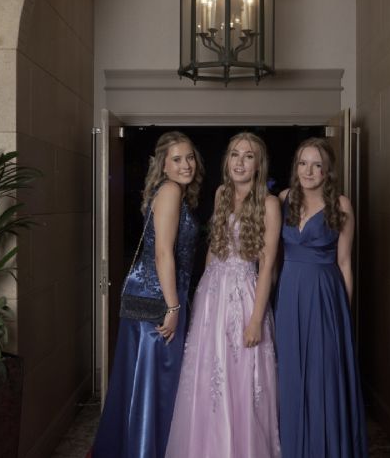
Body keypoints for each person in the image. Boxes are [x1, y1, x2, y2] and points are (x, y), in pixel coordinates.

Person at [165, 132, 281, 458]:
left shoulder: (270, 204)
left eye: (248, 156)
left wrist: (256, 320)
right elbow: (214, 249)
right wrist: (203, 292)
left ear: (259, 164)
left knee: (242, 375)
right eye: (234, 155)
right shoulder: (221, 194)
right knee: (208, 375)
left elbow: (267, 266)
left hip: (245, 296)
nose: (239, 162)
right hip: (212, 294)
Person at [90, 131, 204, 458]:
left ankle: (139, 447)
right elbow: (163, 254)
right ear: (163, 165)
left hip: (156, 293)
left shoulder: (174, 192)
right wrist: (173, 307)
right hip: (158, 298)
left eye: (190, 157)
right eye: (177, 159)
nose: (186, 165)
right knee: (157, 380)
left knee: (148, 379)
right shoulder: (170, 191)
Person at [275, 137, 369, 458]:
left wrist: (343, 316)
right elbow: (272, 257)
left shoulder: (341, 205)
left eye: (317, 165)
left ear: (327, 171)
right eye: (303, 163)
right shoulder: (283, 199)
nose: (308, 171)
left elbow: (344, 263)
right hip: (289, 294)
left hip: (326, 296)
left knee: (322, 374)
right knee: (290, 373)